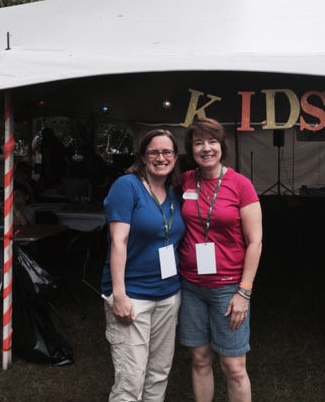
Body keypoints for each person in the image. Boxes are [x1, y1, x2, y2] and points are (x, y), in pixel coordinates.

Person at [178, 118, 263, 402]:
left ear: (221, 146)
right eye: (198, 142)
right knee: (200, 359)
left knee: (234, 366)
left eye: (212, 141)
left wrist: (244, 291)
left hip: (229, 289)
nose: (206, 148)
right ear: (191, 149)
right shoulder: (186, 181)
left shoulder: (241, 185)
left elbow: (255, 243)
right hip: (191, 287)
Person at [101, 129, 185, 401]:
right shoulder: (128, 186)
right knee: (131, 377)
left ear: (175, 156)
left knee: (159, 371)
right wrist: (120, 295)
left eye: (167, 152)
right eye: (154, 152)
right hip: (134, 296)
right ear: (143, 156)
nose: (161, 157)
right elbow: (119, 242)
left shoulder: (172, 193)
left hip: (168, 294)